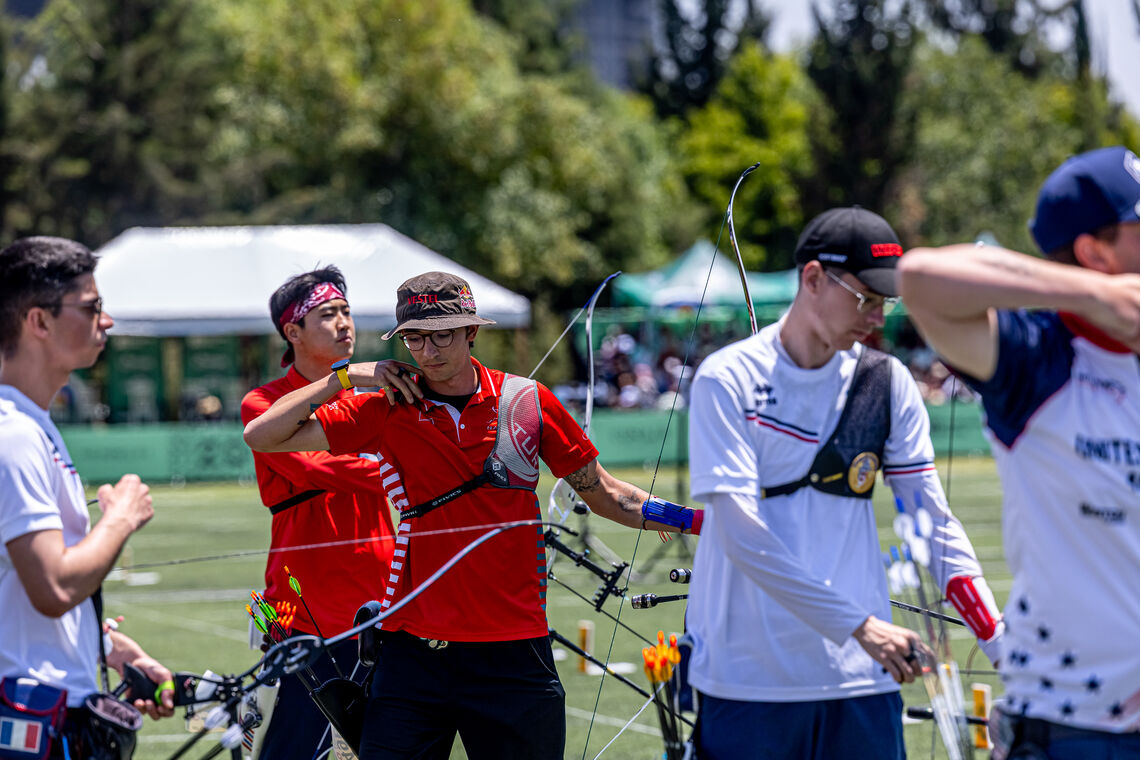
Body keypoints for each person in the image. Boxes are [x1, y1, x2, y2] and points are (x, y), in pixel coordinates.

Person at [243, 271, 702, 760]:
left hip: (511, 653)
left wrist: (699, 524)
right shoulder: (387, 408)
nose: (429, 351)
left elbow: (608, 494)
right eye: (415, 338)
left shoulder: (528, 401)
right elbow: (262, 434)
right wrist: (347, 376)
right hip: (412, 652)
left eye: (443, 334)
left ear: (471, 332)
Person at [685, 207, 1003, 759]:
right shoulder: (727, 377)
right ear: (813, 279)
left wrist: (1004, 649)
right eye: (867, 299)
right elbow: (741, 535)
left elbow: (933, 526)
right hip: (748, 682)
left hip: (863, 683)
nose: (878, 319)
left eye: (887, 303)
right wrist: (860, 626)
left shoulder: (887, 382)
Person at [899, 145, 1140, 759]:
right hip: (1073, 726)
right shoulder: (1040, 358)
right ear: (1095, 251)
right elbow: (921, 278)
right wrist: (1093, 295)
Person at [0, 236, 175, 755]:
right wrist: (118, 519)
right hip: (32, 719)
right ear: (39, 322)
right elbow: (52, 586)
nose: (107, 320)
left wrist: (114, 652)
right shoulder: (13, 434)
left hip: (50, 708)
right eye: (91, 307)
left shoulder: (34, 425)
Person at [239, 266, 397, 759]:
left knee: (390, 744)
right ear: (293, 332)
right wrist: (397, 464)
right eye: (328, 314)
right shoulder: (263, 405)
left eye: (347, 312)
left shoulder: (373, 397)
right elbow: (317, 466)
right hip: (300, 607)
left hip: (381, 601)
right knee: (292, 747)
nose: (344, 323)